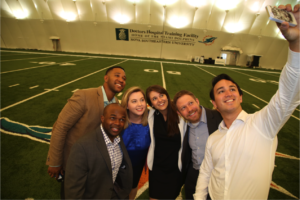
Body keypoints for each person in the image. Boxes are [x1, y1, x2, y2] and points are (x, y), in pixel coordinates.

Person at [194, 4, 300, 200]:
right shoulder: (213, 139)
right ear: (214, 103)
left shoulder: (262, 125)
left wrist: (296, 45)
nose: (228, 93)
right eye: (220, 91)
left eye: (232, 89)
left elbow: (288, 95)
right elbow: (206, 174)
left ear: (240, 97)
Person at [46, 66, 126, 199]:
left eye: (124, 78)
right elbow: (60, 127)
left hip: (96, 165)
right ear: (106, 78)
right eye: (117, 75)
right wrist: (55, 161)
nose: (121, 80)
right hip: (76, 162)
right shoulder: (84, 95)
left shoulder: (116, 103)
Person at [64, 103, 133, 200]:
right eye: (113, 118)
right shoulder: (82, 146)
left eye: (122, 119)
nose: (118, 123)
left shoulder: (118, 139)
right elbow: (73, 189)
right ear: (102, 118)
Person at [172, 90, 222, 200]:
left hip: (216, 177)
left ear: (197, 101)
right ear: (179, 113)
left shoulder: (219, 117)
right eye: (183, 108)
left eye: (190, 103)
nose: (189, 109)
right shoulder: (183, 126)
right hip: (193, 175)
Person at [146, 85, 187, 200]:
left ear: (167, 96)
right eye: (154, 99)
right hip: (157, 169)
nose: (159, 100)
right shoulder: (151, 115)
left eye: (161, 95)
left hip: (174, 169)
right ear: (151, 104)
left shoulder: (180, 114)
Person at [120, 87, 150, 200]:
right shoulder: (120, 123)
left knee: (133, 187)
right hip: (118, 165)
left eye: (142, 100)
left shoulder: (151, 122)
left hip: (137, 165)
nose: (140, 104)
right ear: (126, 105)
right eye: (134, 101)